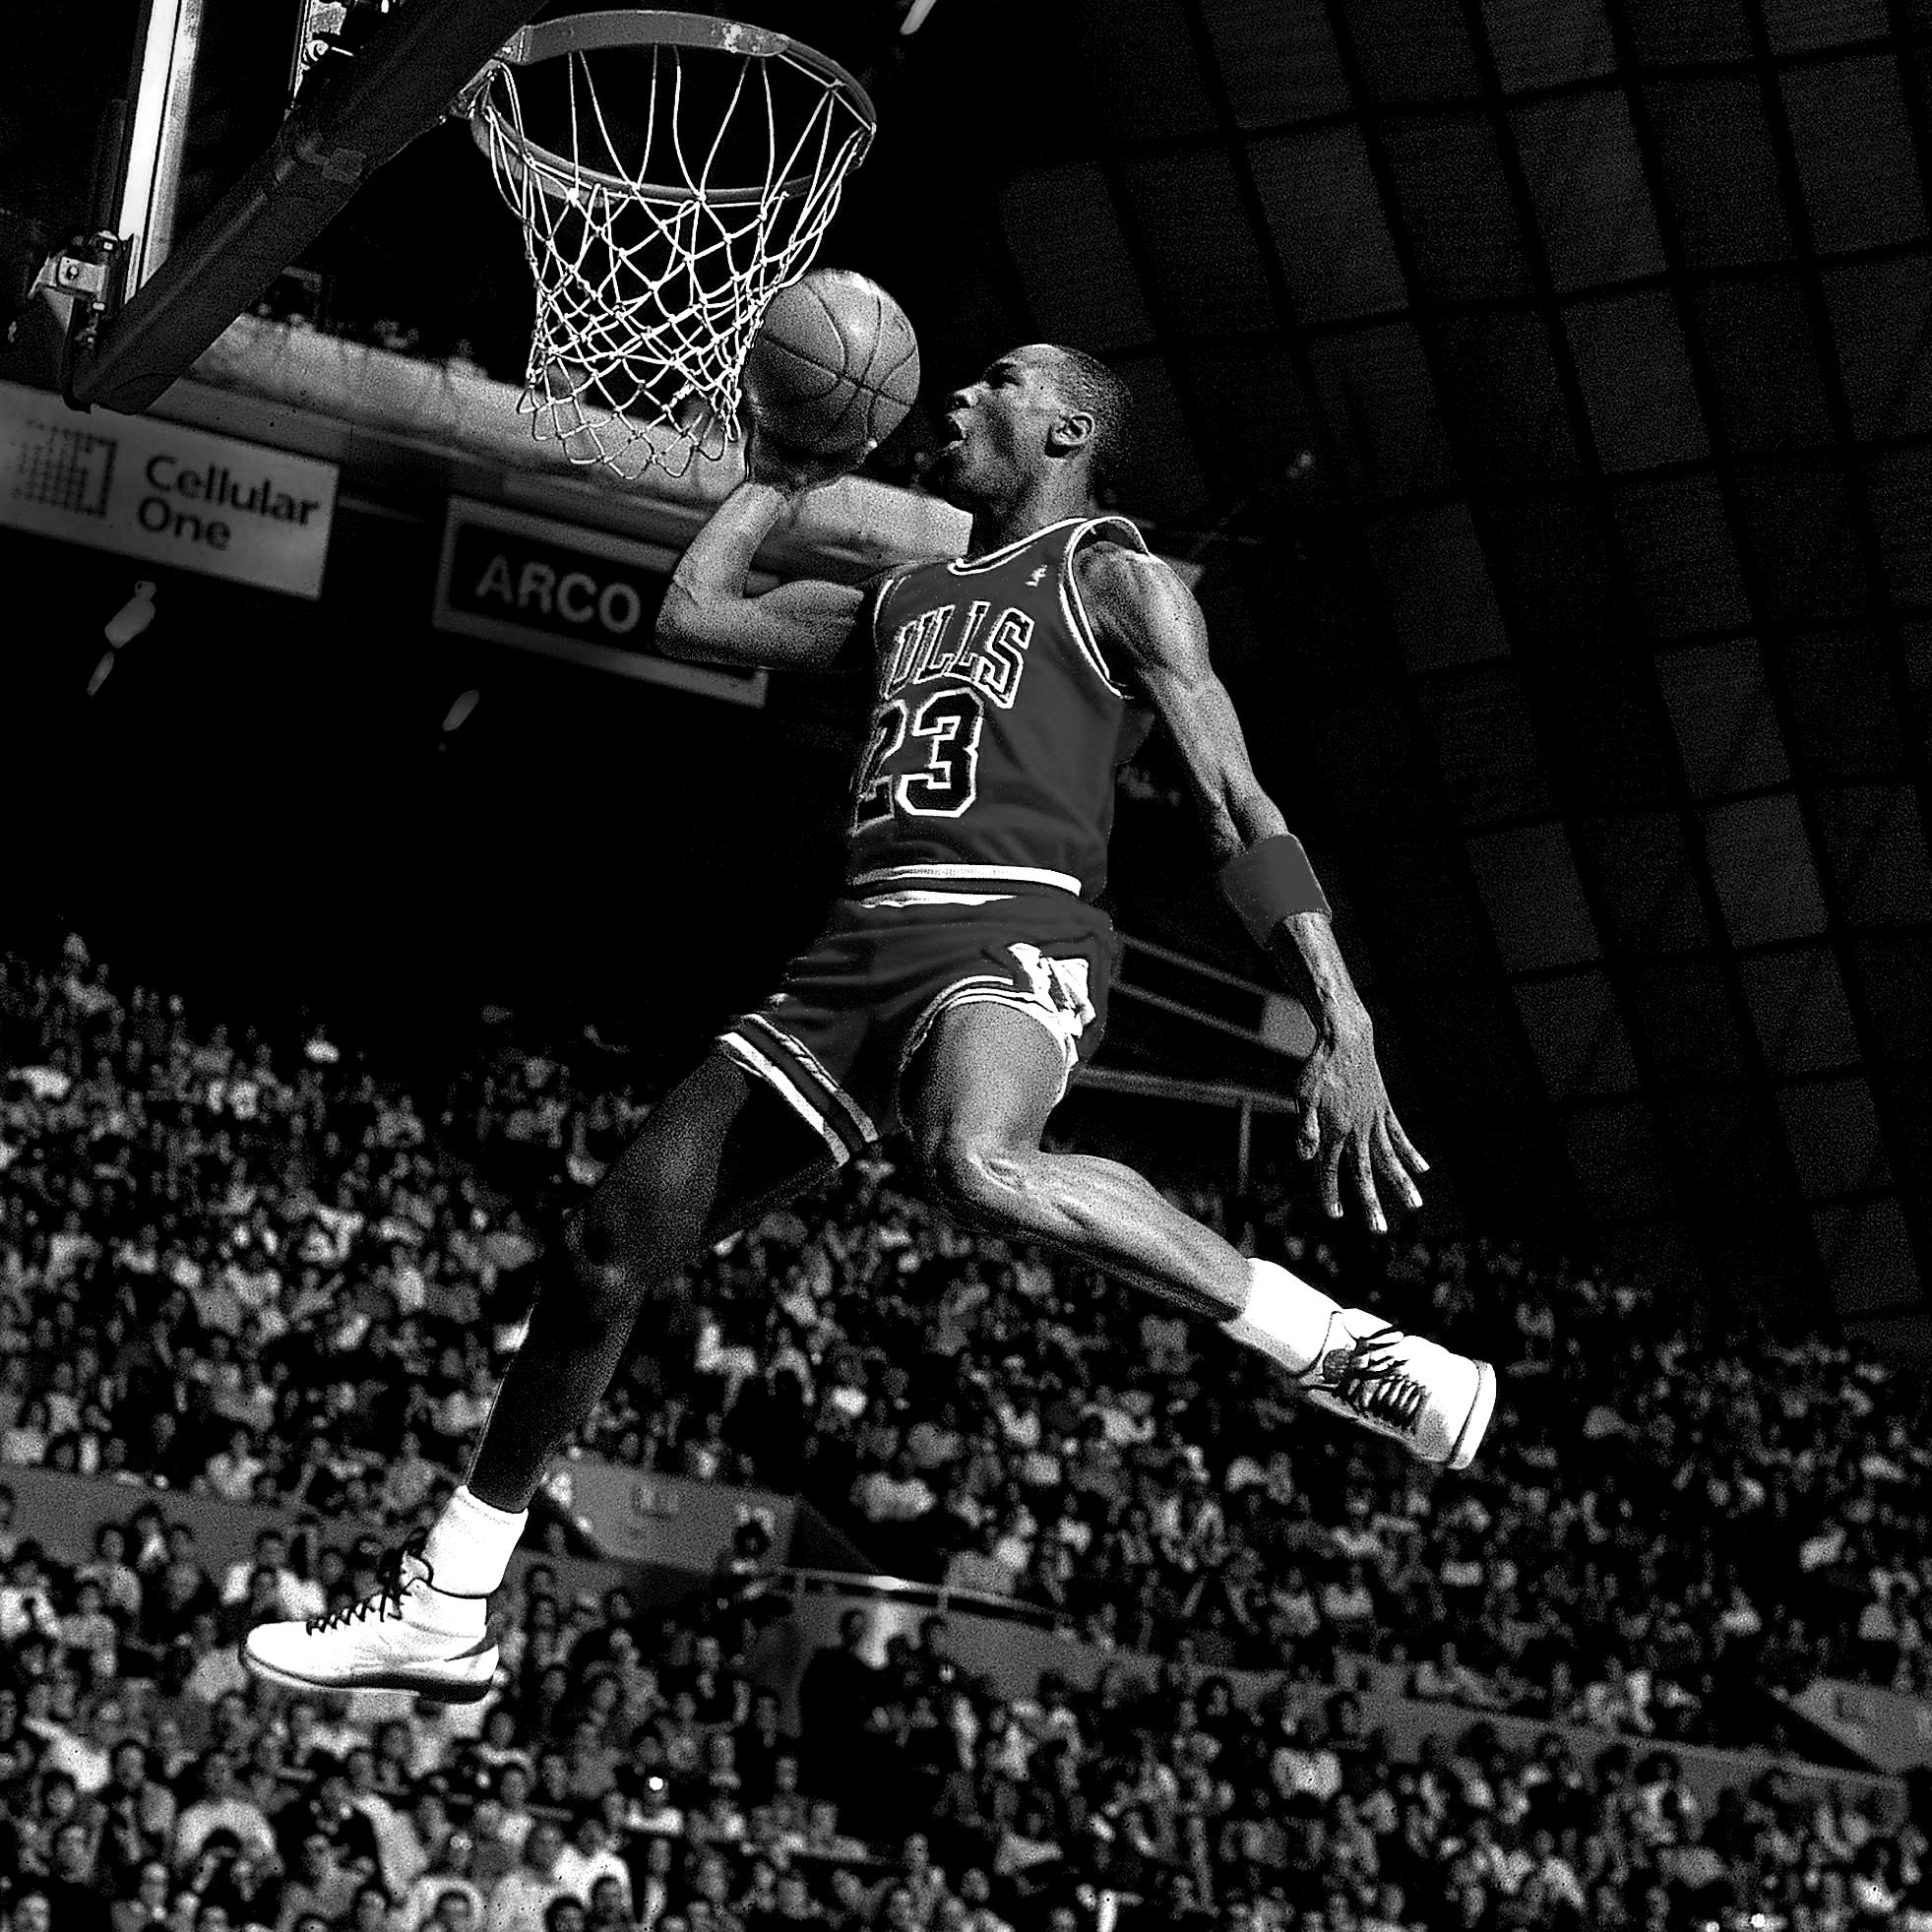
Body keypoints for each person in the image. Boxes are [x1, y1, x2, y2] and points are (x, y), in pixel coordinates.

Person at [242, 340, 1495, 1699]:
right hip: (855, 955)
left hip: (1013, 928)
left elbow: (1236, 806)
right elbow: (694, 616)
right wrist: (776, 477)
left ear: (1068, 431)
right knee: (607, 1251)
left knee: (973, 1159)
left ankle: (1330, 1344)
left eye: (999, 382)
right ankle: (447, 1603)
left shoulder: (1114, 580)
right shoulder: (902, 597)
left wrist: (1344, 1017)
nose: (958, 394)